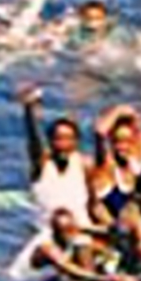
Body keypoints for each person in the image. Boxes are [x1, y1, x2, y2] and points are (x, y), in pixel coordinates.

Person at [19, 87, 94, 226]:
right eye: (58, 139)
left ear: (76, 142)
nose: (63, 144)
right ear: (50, 141)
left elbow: (94, 202)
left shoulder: (85, 165)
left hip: (81, 229)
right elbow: (34, 141)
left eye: (68, 139)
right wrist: (29, 111)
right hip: (48, 232)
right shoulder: (42, 165)